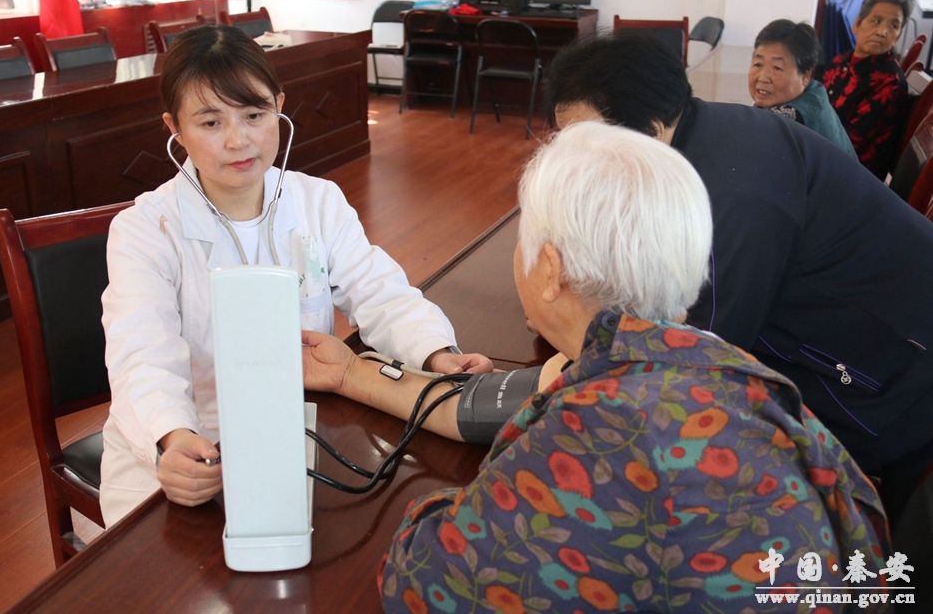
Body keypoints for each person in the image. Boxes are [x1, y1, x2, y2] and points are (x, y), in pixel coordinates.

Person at [303, 122, 891, 612]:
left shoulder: (602, 430)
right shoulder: (726, 370)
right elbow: (467, 407)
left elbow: (420, 581)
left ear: (551, 270)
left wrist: (463, 495)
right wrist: (352, 374)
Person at [99, 25, 493, 526]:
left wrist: (438, 354)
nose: (238, 140)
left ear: (279, 106)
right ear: (174, 127)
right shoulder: (144, 229)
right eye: (211, 122)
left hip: (298, 426)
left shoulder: (317, 202)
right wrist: (171, 438)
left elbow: (382, 293)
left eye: (254, 115)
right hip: (193, 445)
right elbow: (142, 354)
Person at [543, 33, 933, 525]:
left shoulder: (736, 194)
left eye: (586, 143)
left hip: (891, 383)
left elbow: (698, 359)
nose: (574, 160)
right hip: (834, 339)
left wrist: (578, 343)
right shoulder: (699, 136)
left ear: (653, 128)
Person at [821, 0, 915, 179]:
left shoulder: (889, 83)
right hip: (821, 159)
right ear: (856, 24)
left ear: (898, 35)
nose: (882, 32)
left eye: (894, 25)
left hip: (847, 177)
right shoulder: (841, 61)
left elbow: (847, 145)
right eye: (876, 21)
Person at [749, 19, 856, 157]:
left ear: (805, 76)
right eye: (758, 64)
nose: (763, 77)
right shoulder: (814, 89)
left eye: (777, 68)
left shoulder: (789, 117)